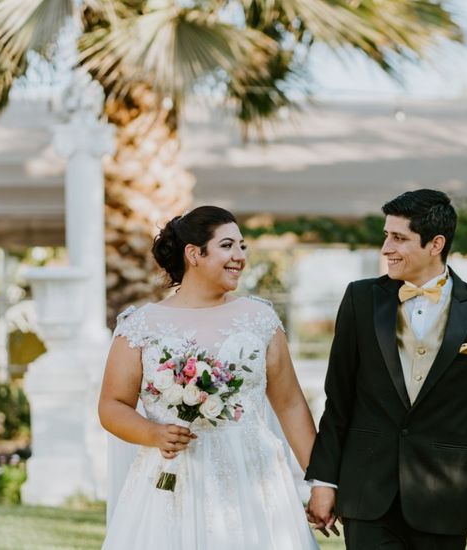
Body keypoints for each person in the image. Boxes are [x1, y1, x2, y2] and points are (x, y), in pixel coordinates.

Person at [305, 190, 467, 550]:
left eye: (399, 238)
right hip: (367, 497)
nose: (386, 248)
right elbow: (338, 400)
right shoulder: (361, 300)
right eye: (386, 235)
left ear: (435, 244)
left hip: (442, 499)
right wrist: (324, 481)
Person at [98, 206, 319, 549]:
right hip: (171, 484)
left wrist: (319, 482)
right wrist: (152, 433)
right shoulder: (141, 326)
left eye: (242, 247)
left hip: (254, 482)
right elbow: (112, 405)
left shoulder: (260, 318)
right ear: (193, 254)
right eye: (228, 245)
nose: (240, 257)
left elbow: (290, 405)